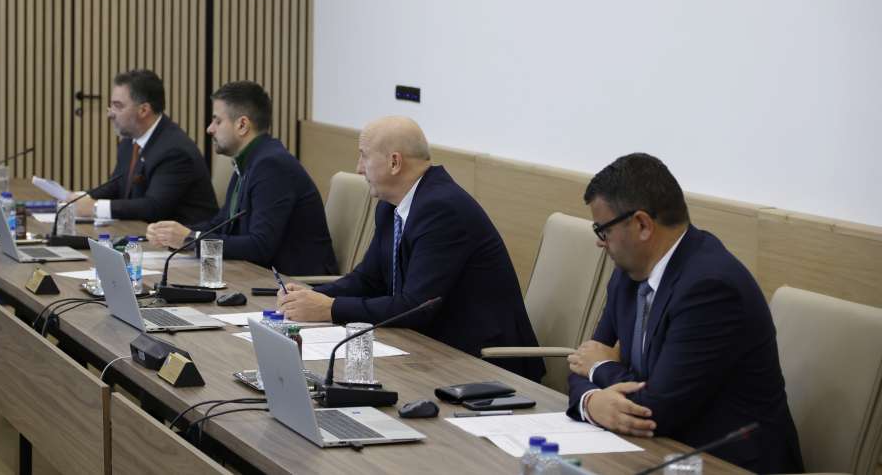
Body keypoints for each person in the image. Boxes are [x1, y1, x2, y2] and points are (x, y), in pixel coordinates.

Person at [566, 153, 803, 473]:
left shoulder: (710, 288)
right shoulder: (627, 274)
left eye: (603, 230)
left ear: (642, 225)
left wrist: (601, 367)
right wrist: (591, 402)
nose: (600, 243)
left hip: (727, 463)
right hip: (660, 452)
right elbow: (582, 362)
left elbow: (655, 409)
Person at [278, 116, 543, 381]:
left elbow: (415, 306)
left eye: (364, 156)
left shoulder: (442, 209)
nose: (358, 168)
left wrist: (330, 308)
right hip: (432, 350)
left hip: (485, 365)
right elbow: (368, 279)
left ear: (394, 162)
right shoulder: (391, 206)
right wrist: (311, 297)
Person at [147, 81, 337, 276]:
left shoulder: (272, 166)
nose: (210, 129)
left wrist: (190, 239)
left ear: (242, 125)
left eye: (217, 121)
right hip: (259, 275)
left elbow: (259, 246)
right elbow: (221, 224)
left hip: (295, 284)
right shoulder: (251, 159)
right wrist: (173, 233)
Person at [73, 70, 217, 224]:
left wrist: (95, 208)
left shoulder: (174, 150)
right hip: (143, 232)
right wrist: (80, 198)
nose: (110, 114)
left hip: (184, 236)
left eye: (118, 106)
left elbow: (154, 207)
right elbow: (117, 185)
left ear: (143, 110)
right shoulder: (130, 141)